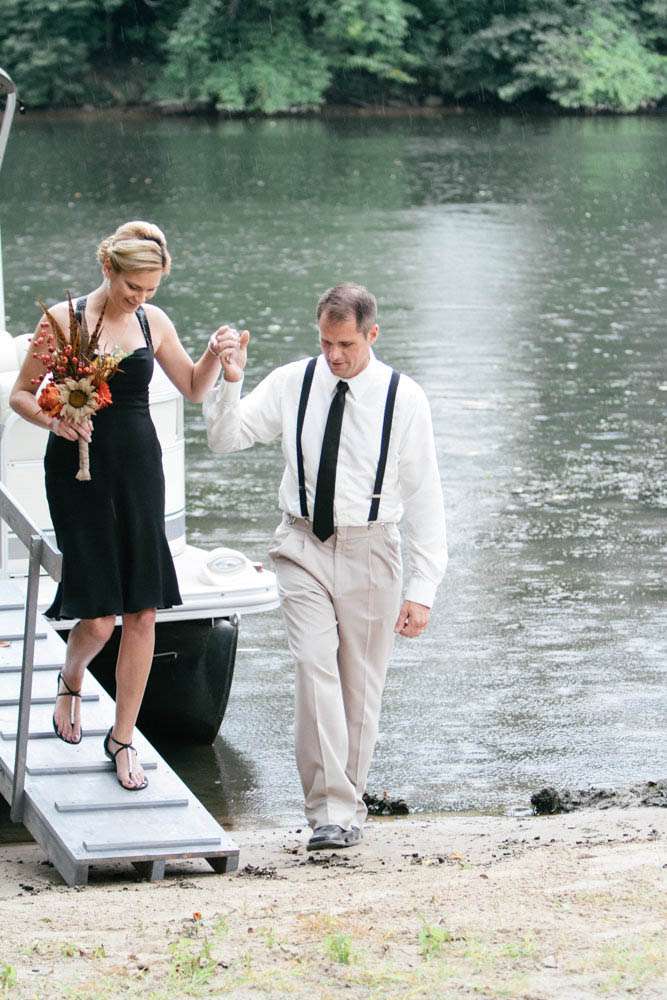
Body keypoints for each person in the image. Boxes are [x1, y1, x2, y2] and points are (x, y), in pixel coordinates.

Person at [204, 282, 447, 849]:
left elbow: (426, 496)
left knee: (360, 688)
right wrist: (230, 381)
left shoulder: (404, 398)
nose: (334, 355)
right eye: (325, 342)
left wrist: (423, 588)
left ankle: (348, 808)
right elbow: (225, 438)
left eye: (346, 345)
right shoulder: (294, 381)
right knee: (314, 668)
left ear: (372, 334)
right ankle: (329, 813)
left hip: (373, 547)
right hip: (301, 545)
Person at [10, 220, 227, 790]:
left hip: (139, 469)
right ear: (108, 269)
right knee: (99, 618)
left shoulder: (154, 322)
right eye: (133, 287)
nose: (141, 298)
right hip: (78, 473)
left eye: (151, 290)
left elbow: (194, 387)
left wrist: (212, 354)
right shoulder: (64, 321)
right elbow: (21, 395)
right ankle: (71, 676)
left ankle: (123, 737)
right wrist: (55, 420)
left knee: (144, 611)